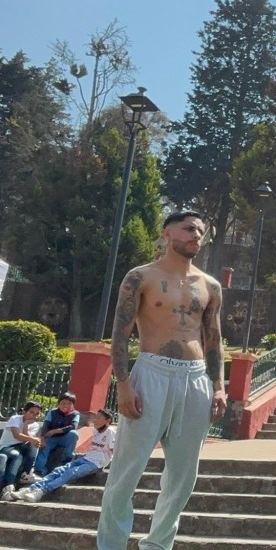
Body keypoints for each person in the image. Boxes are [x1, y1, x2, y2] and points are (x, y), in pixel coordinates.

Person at [96, 211, 227, 550]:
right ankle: (111, 545)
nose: (196, 235)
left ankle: (157, 545)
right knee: (126, 471)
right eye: (188, 228)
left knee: (184, 476)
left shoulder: (210, 285)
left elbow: (213, 340)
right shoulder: (140, 277)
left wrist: (219, 386)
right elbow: (120, 334)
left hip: (195, 378)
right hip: (151, 373)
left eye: (200, 230)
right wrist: (124, 384)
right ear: (167, 233)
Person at [9, 408, 116, 503]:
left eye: (99, 418)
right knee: (59, 470)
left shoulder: (110, 432)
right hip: (86, 458)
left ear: (107, 421)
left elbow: (114, 450)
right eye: (96, 417)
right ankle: (30, 489)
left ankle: (41, 491)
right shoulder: (96, 431)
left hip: (97, 463)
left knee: (71, 472)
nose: (95, 420)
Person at [26, 391, 80, 479]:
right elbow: (45, 426)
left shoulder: (75, 414)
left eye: (69, 403)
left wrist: (55, 431)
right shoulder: (52, 412)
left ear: (73, 405)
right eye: (63, 403)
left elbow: (73, 426)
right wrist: (43, 438)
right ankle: (40, 471)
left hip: (65, 438)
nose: (65, 405)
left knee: (74, 433)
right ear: (59, 403)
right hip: (51, 438)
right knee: (44, 448)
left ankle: (67, 460)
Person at [0, 400, 43, 499]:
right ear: (24, 411)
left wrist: (26, 425)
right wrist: (32, 439)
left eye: (37, 414)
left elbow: (27, 439)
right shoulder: (15, 419)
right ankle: (8, 487)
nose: (34, 416)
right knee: (17, 455)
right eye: (31, 412)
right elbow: (17, 435)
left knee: (35, 443)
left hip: (21, 446)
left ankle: (26, 473)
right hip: (6, 447)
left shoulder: (35, 425)